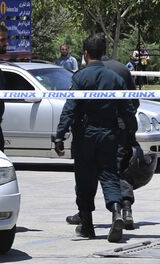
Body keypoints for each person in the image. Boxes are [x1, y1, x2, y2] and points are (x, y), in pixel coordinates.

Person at [54, 33, 137, 242]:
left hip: (85, 136)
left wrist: (59, 136)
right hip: (109, 135)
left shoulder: (80, 77)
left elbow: (69, 109)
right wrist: (130, 134)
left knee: (84, 180)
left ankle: (87, 226)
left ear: (85, 54)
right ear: (103, 53)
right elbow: (128, 110)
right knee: (109, 176)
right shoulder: (116, 78)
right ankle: (116, 213)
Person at [66, 55, 140, 230]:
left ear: (87, 53)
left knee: (86, 175)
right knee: (117, 172)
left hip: (94, 131)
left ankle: (85, 215)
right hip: (119, 130)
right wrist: (130, 129)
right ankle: (125, 210)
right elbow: (133, 102)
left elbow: (73, 107)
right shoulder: (122, 69)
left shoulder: (86, 72)